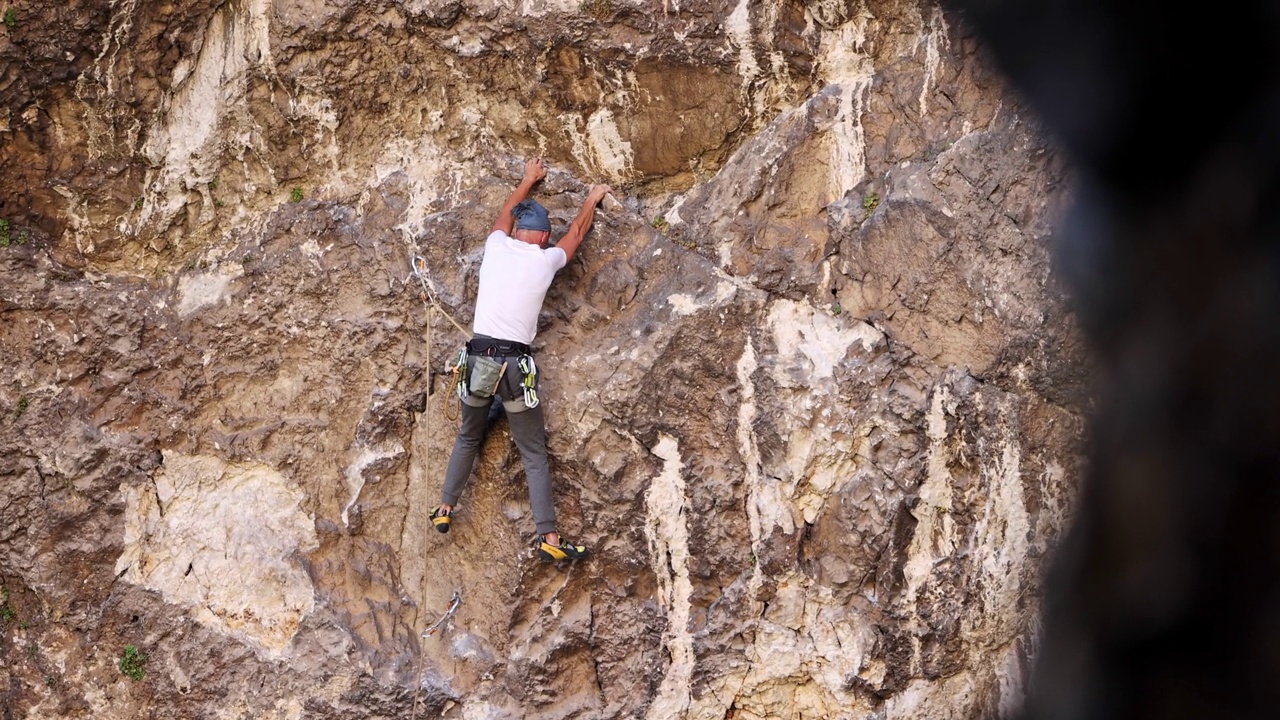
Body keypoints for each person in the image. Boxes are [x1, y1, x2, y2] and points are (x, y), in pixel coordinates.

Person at [431, 158, 612, 562]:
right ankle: (548, 538)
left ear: (515, 231)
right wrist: (592, 197)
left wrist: (529, 179)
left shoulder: (495, 246)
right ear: (545, 238)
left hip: (478, 361)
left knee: (468, 436)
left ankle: (444, 508)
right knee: (532, 453)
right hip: (515, 368)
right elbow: (578, 231)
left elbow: (503, 213)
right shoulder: (545, 261)